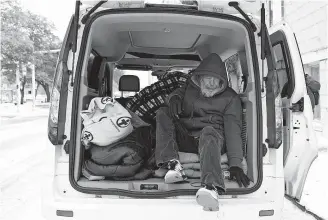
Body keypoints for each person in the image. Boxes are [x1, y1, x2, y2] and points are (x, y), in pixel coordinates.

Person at [155, 53, 249, 210]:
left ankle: (211, 186)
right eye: (207, 78)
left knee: (208, 131)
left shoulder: (231, 98)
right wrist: (173, 99)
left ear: (222, 80)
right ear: (199, 78)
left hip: (212, 138)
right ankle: (173, 164)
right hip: (187, 135)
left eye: (215, 79)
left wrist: (236, 164)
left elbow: (233, 131)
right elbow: (176, 93)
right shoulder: (189, 87)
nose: (211, 83)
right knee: (162, 112)